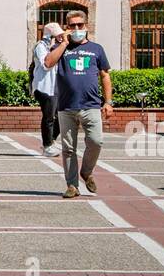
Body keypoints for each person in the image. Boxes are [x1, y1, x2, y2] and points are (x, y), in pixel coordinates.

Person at [43, 10, 112, 198]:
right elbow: (48, 63)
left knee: (96, 141)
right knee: (68, 149)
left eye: (79, 25)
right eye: (72, 26)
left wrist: (108, 102)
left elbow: (105, 75)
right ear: (67, 28)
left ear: (86, 26)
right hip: (66, 106)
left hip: (91, 105)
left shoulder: (96, 49)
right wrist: (63, 43)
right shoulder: (61, 47)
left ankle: (86, 171)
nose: (76, 29)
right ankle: (72, 185)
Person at [31, 22, 64, 156]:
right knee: (49, 117)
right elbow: (46, 65)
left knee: (61, 115)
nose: (62, 38)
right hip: (44, 86)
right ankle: (47, 145)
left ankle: (52, 140)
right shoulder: (41, 46)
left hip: (56, 86)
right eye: (59, 35)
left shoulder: (56, 47)